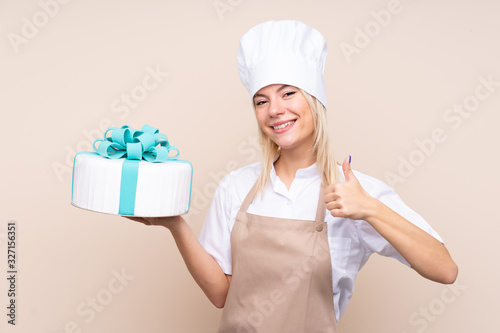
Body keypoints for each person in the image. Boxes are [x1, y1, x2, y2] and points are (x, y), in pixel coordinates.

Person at [126, 20, 458, 332]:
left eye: (288, 93)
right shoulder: (236, 186)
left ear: (315, 100)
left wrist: (370, 208)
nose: (274, 110)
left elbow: (445, 270)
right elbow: (220, 294)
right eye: (261, 101)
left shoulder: (357, 193)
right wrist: (175, 225)